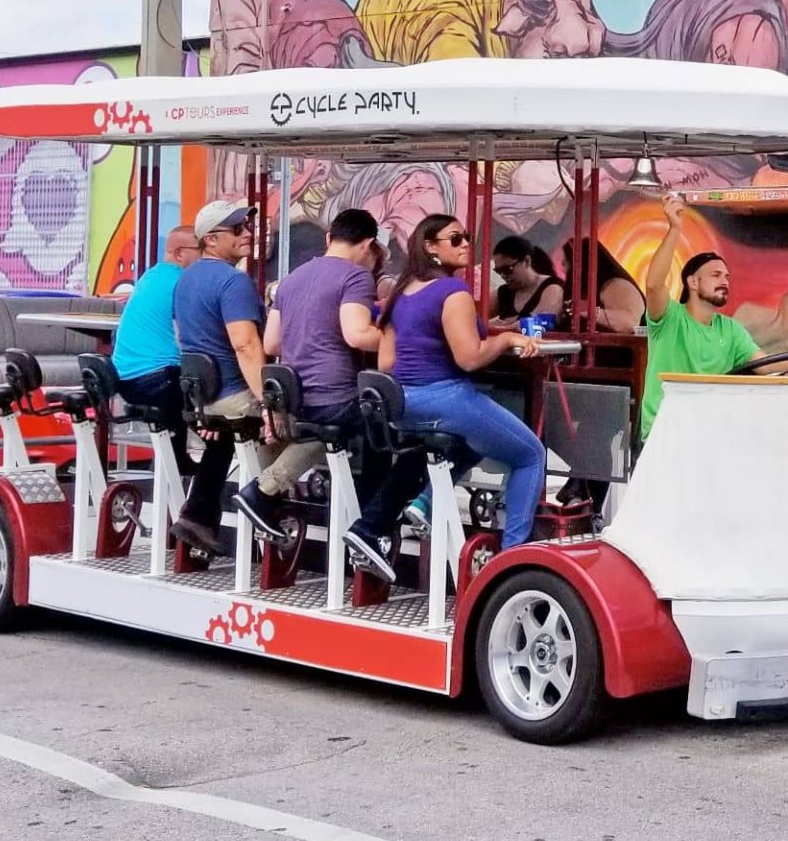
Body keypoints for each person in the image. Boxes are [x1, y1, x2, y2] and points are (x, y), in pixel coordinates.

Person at [342, 215, 545, 577]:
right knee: (530, 454)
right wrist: (505, 339)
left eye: (466, 237)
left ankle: (424, 503)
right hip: (447, 400)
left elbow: (387, 361)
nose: (466, 243)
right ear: (430, 246)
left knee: (476, 442)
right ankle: (513, 559)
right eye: (455, 238)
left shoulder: (400, 293)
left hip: (403, 403)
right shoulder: (454, 292)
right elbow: (469, 357)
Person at [233, 209, 385, 540]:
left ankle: (263, 494)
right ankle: (371, 520)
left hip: (294, 395)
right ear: (368, 244)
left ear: (329, 238)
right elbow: (357, 335)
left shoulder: (292, 279)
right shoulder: (356, 278)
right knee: (381, 422)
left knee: (329, 425)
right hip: (335, 395)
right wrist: (397, 334)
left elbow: (272, 342)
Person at [169, 200, 272, 554]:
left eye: (247, 228)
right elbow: (245, 345)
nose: (247, 235)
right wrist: (268, 402)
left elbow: (184, 337)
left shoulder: (186, 280)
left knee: (222, 439)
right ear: (211, 240)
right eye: (238, 230)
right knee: (309, 427)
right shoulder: (233, 282)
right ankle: (267, 504)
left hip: (204, 395)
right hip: (233, 394)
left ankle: (198, 515)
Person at [638, 192, 759, 441]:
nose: (724, 281)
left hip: (710, 434)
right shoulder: (670, 318)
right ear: (692, 282)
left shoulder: (731, 330)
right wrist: (674, 229)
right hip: (664, 435)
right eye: (715, 275)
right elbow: (652, 286)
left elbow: (766, 364)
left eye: (727, 277)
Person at [111, 224, 201, 472]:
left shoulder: (150, 276)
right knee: (219, 403)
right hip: (156, 382)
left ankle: (170, 464)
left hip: (127, 382)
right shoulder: (182, 282)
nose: (204, 256)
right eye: (200, 249)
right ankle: (181, 468)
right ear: (180, 253)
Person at [558, 236, 646, 333]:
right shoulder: (588, 290)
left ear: (581, 264)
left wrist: (590, 312)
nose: (563, 268)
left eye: (565, 262)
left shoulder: (616, 286)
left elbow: (628, 324)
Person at [489, 235, 565, 328]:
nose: (503, 276)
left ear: (527, 261)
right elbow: (473, 318)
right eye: (498, 271)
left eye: (507, 269)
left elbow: (541, 323)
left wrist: (504, 326)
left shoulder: (553, 287)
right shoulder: (503, 293)